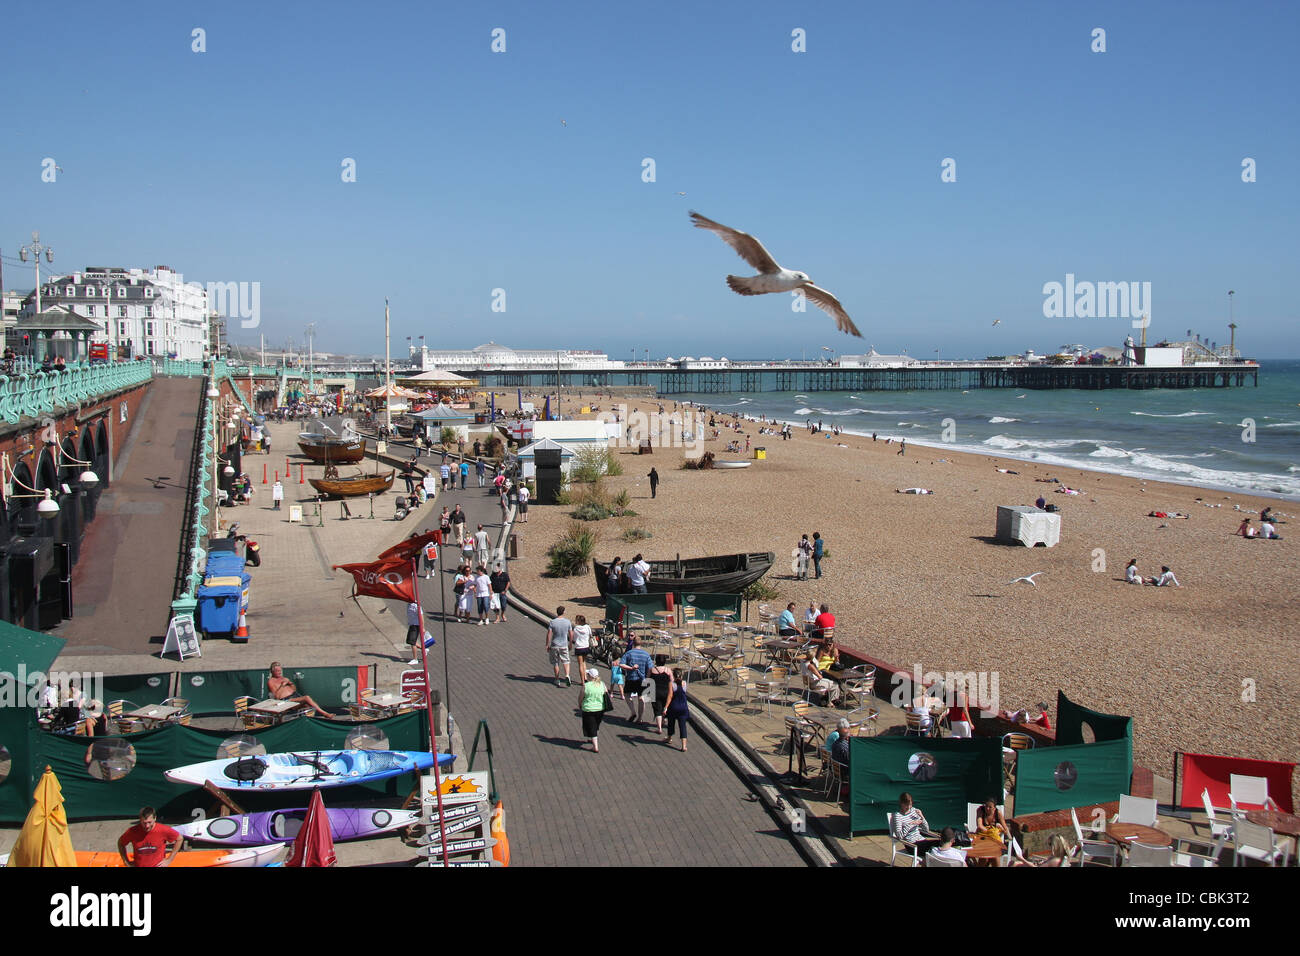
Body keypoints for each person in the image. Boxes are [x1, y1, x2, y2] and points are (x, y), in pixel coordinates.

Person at [118, 807, 183, 868]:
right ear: (140, 820)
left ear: (155, 818)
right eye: (144, 823)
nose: (147, 826)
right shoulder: (132, 831)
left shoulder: (163, 830)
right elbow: (121, 843)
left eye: (149, 822)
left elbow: (179, 839)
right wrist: (126, 861)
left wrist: (169, 859)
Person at [618, 635, 655, 724]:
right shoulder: (646, 654)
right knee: (641, 698)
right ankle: (640, 718)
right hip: (642, 679)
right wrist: (648, 677)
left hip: (631, 678)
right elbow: (651, 668)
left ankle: (633, 711)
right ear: (641, 643)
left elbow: (621, 664)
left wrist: (630, 668)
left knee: (627, 695)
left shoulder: (629, 653)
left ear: (633, 643)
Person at [578, 668, 608, 753]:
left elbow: (581, 696)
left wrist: (580, 704)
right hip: (600, 708)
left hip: (589, 709)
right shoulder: (602, 684)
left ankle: (595, 746)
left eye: (588, 674)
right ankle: (593, 738)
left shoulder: (586, 686)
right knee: (596, 725)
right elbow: (606, 694)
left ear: (590, 676)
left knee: (592, 727)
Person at [661, 668, 690, 751]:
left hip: (674, 707)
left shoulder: (671, 684)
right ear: (681, 675)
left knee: (671, 723)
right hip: (683, 707)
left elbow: (670, 696)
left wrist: (665, 707)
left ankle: (669, 738)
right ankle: (684, 746)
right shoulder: (684, 683)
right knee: (682, 726)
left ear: (673, 676)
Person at [546, 606, 574, 687]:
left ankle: (557, 679)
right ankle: (567, 675)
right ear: (563, 612)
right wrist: (570, 643)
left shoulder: (552, 622)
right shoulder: (567, 622)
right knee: (566, 661)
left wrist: (547, 644)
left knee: (556, 662)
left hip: (555, 644)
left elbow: (549, 634)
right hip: (564, 644)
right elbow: (571, 633)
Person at [648, 653, 673, 734]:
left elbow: (647, 680)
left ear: (656, 661)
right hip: (666, 691)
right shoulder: (668, 670)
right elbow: (672, 681)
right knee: (664, 707)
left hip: (654, 692)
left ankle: (659, 728)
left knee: (657, 709)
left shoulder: (652, 669)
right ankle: (664, 720)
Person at [405, 601, 424, 665]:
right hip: (412, 624)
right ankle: (423, 648)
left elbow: (421, 616)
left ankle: (415, 659)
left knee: (412, 642)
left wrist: (422, 627)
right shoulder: (409, 603)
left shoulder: (416, 605)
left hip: (416, 625)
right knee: (409, 641)